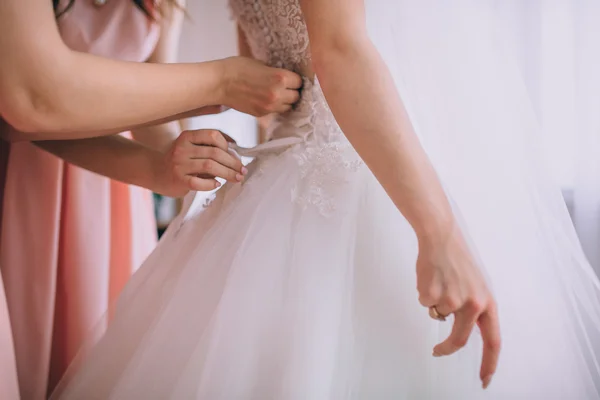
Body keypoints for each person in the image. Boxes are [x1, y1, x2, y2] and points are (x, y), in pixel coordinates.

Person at [50, 0, 600, 399]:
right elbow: (338, 48)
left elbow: (270, 62)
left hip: (296, 168)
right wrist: (440, 232)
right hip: (363, 164)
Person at [0, 0, 302, 399]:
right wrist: (221, 81)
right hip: (23, 176)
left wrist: (167, 165)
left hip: (114, 181)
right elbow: (28, 104)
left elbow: (153, 101)